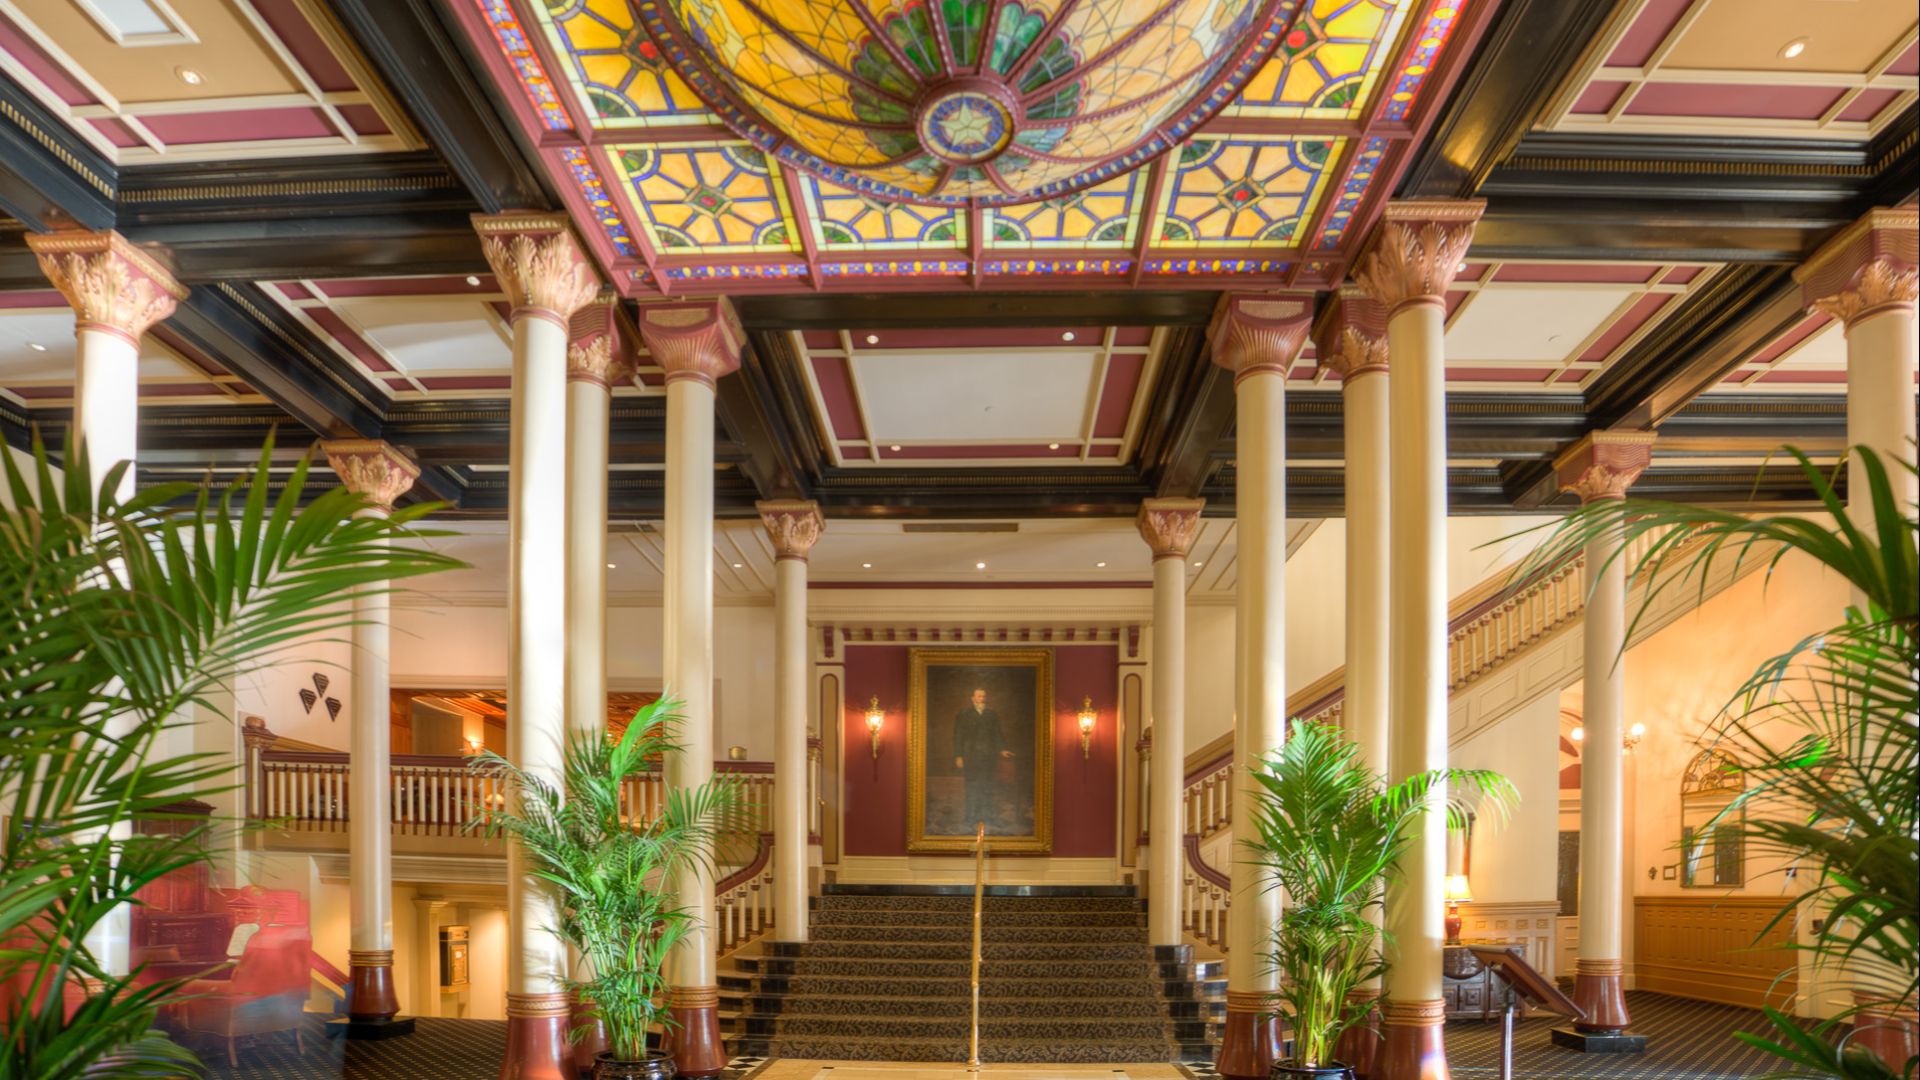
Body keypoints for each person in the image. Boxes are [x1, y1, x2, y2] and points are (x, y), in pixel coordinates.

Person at [953, 688, 1015, 832]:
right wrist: (958, 756)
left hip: (988, 757)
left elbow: (997, 734)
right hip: (970, 757)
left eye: (984, 696)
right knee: (972, 787)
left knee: (987, 787)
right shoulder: (964, 714)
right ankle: (970, 818)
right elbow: (958, 736)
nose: (982, 698)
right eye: (979, 696)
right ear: (972, 698)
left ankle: (988, 816)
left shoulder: (991, 714)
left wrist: (1002, 749)